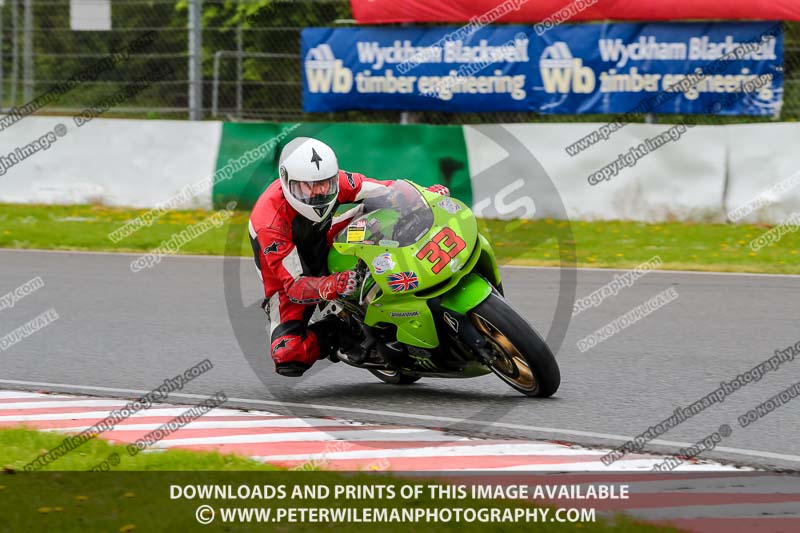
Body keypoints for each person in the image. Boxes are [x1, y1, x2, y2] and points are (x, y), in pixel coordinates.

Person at [249, 137, 448, 377]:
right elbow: (294, 286)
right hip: (287, 279)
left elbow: (387, 189)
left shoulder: (338, 180)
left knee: (381, 206)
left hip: (327, 240)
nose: (318, 192)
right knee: (288, 354)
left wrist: (424, 196)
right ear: (286, 181)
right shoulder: (269, 221)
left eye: (324, 184)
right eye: (307, 186)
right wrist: (333, 284)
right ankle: (340, 330)